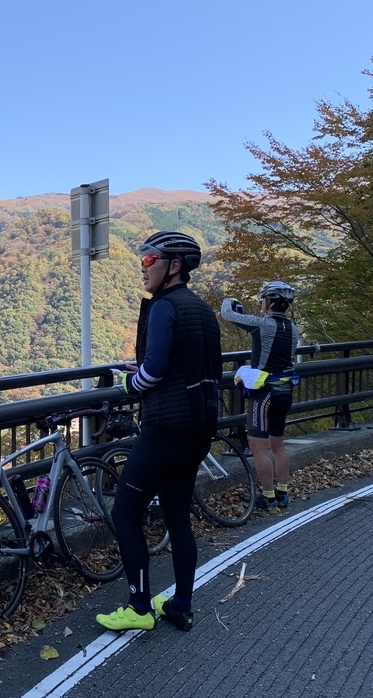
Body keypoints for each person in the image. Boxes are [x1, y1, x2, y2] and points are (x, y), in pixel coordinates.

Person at [95, 231, 222, 633]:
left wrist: (128, 386)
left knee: (125, 512)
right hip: (198, 430)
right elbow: (186, 366)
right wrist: (148, 375)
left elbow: (154, 371)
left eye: (150, 259)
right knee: (177, 517)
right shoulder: (201, 309)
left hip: (165, 429)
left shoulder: (165, 306)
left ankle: (139, 606)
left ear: (174, 266)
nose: (143, 265)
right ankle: (180, 604)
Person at [219, 282, 301, 510]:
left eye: (263, 299)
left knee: (259, 448)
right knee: (278, 445)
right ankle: (283, 493)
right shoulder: (293, 329)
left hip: (264, 393)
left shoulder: (263, 325)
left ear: (269, 302)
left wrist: (231, 301)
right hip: (285, 391)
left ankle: (268, 497)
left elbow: (226, 314)